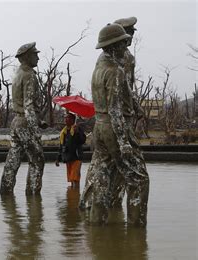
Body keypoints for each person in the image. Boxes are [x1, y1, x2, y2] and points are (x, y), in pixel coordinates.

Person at [79, 23, 149, 226]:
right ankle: (136, 234)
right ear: (114, 46)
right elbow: (115, 110)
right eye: (122, 42)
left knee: (102, 180)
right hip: (113, 128)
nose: (125, 45)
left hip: (99, 127)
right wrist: (124, 141)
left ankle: (96, 231)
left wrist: (135, 105)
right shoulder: (115, 71)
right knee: (139, 180)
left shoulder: (98, 69)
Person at [0, 42, 48, 195]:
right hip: (26, 123)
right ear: (27, 57)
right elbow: (28, 106)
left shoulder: (18, 73)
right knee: (37, 159)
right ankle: (33, 198)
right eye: (35, 54)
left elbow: (21, 104)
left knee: (13, 159)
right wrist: (35, 129)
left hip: (17, 122)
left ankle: (6, 194)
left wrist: (39, 121)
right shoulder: (29, 76)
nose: (38, 58)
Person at [109, 16, 144, 208]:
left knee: (118, 165)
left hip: (127, 113)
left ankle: (115, 203)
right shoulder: (111, 57)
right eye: (128, 32)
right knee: (117, 162)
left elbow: (127, 87)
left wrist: (135, 104)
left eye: (131, 33)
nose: (130, 36)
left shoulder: (129, 57)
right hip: (115, 115)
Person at [55, 113, 86, 188]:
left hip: (76, 157)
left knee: (75, 178)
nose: (65, 120)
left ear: (73, 120)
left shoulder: (77, 129)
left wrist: (77, 133)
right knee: (71, 179)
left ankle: (75, 194)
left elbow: (82, 141)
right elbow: (61, 146)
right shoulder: (64, 132)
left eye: (68, 118)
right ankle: (72, 196)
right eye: (65, 118)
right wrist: (58, 159)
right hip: (68, 157)